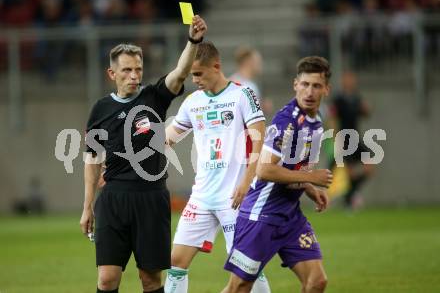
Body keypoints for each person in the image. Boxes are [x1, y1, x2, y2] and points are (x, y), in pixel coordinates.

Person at [79, 15, 207, 293]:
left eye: (138, 69)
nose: (134, 75)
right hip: (113, 200)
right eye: (126, 70)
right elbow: (92, 160)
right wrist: (87, 205)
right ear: (112, 74)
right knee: (107, 279)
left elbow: (180, 73)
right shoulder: (100, 110)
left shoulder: (153, 98)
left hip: (151, 198)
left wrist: (193, 41)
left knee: (150, 280)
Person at [164, 42, 271, 293]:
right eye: (192, 74)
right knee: (176, 261)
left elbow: (259, 139)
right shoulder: (193, 102)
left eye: (199, 73)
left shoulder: (243, 95)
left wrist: (246, 182)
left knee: (246, 267)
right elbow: (168, 137)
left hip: (235, 196)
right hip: (201, 197)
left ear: (217, 66)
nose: (195, 80)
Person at [222, 56, 334, 293]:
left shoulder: (316, 122)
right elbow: (264, 170)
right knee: (239, 288)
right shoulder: (286, 122)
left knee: (316, 282)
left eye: (316, 86)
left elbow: (295, 168)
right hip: (261, 215)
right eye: (304, 84)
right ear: (295, 84)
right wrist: (312, 178)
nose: (309, 91)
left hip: (290, 217)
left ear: (326, 89)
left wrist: (310, 189)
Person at [329, 71, 374, 209]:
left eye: (352, 78)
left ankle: (350, 195)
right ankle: (349, 199)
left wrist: (366, 109)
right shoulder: (338, 99)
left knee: (369, 168)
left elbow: (366, 113)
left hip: (356, 138)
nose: (350, 81)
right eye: (347, 78)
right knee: (349, 172)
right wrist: (335, 137)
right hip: (344, 139)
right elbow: (332, 118)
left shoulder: (356, 98)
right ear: (343, 81)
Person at [230, 46, 273, 115]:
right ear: (248, 62)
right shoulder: (238, 84)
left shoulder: (249, 83)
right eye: (258, 62)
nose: (260, 66)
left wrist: (261, 106)